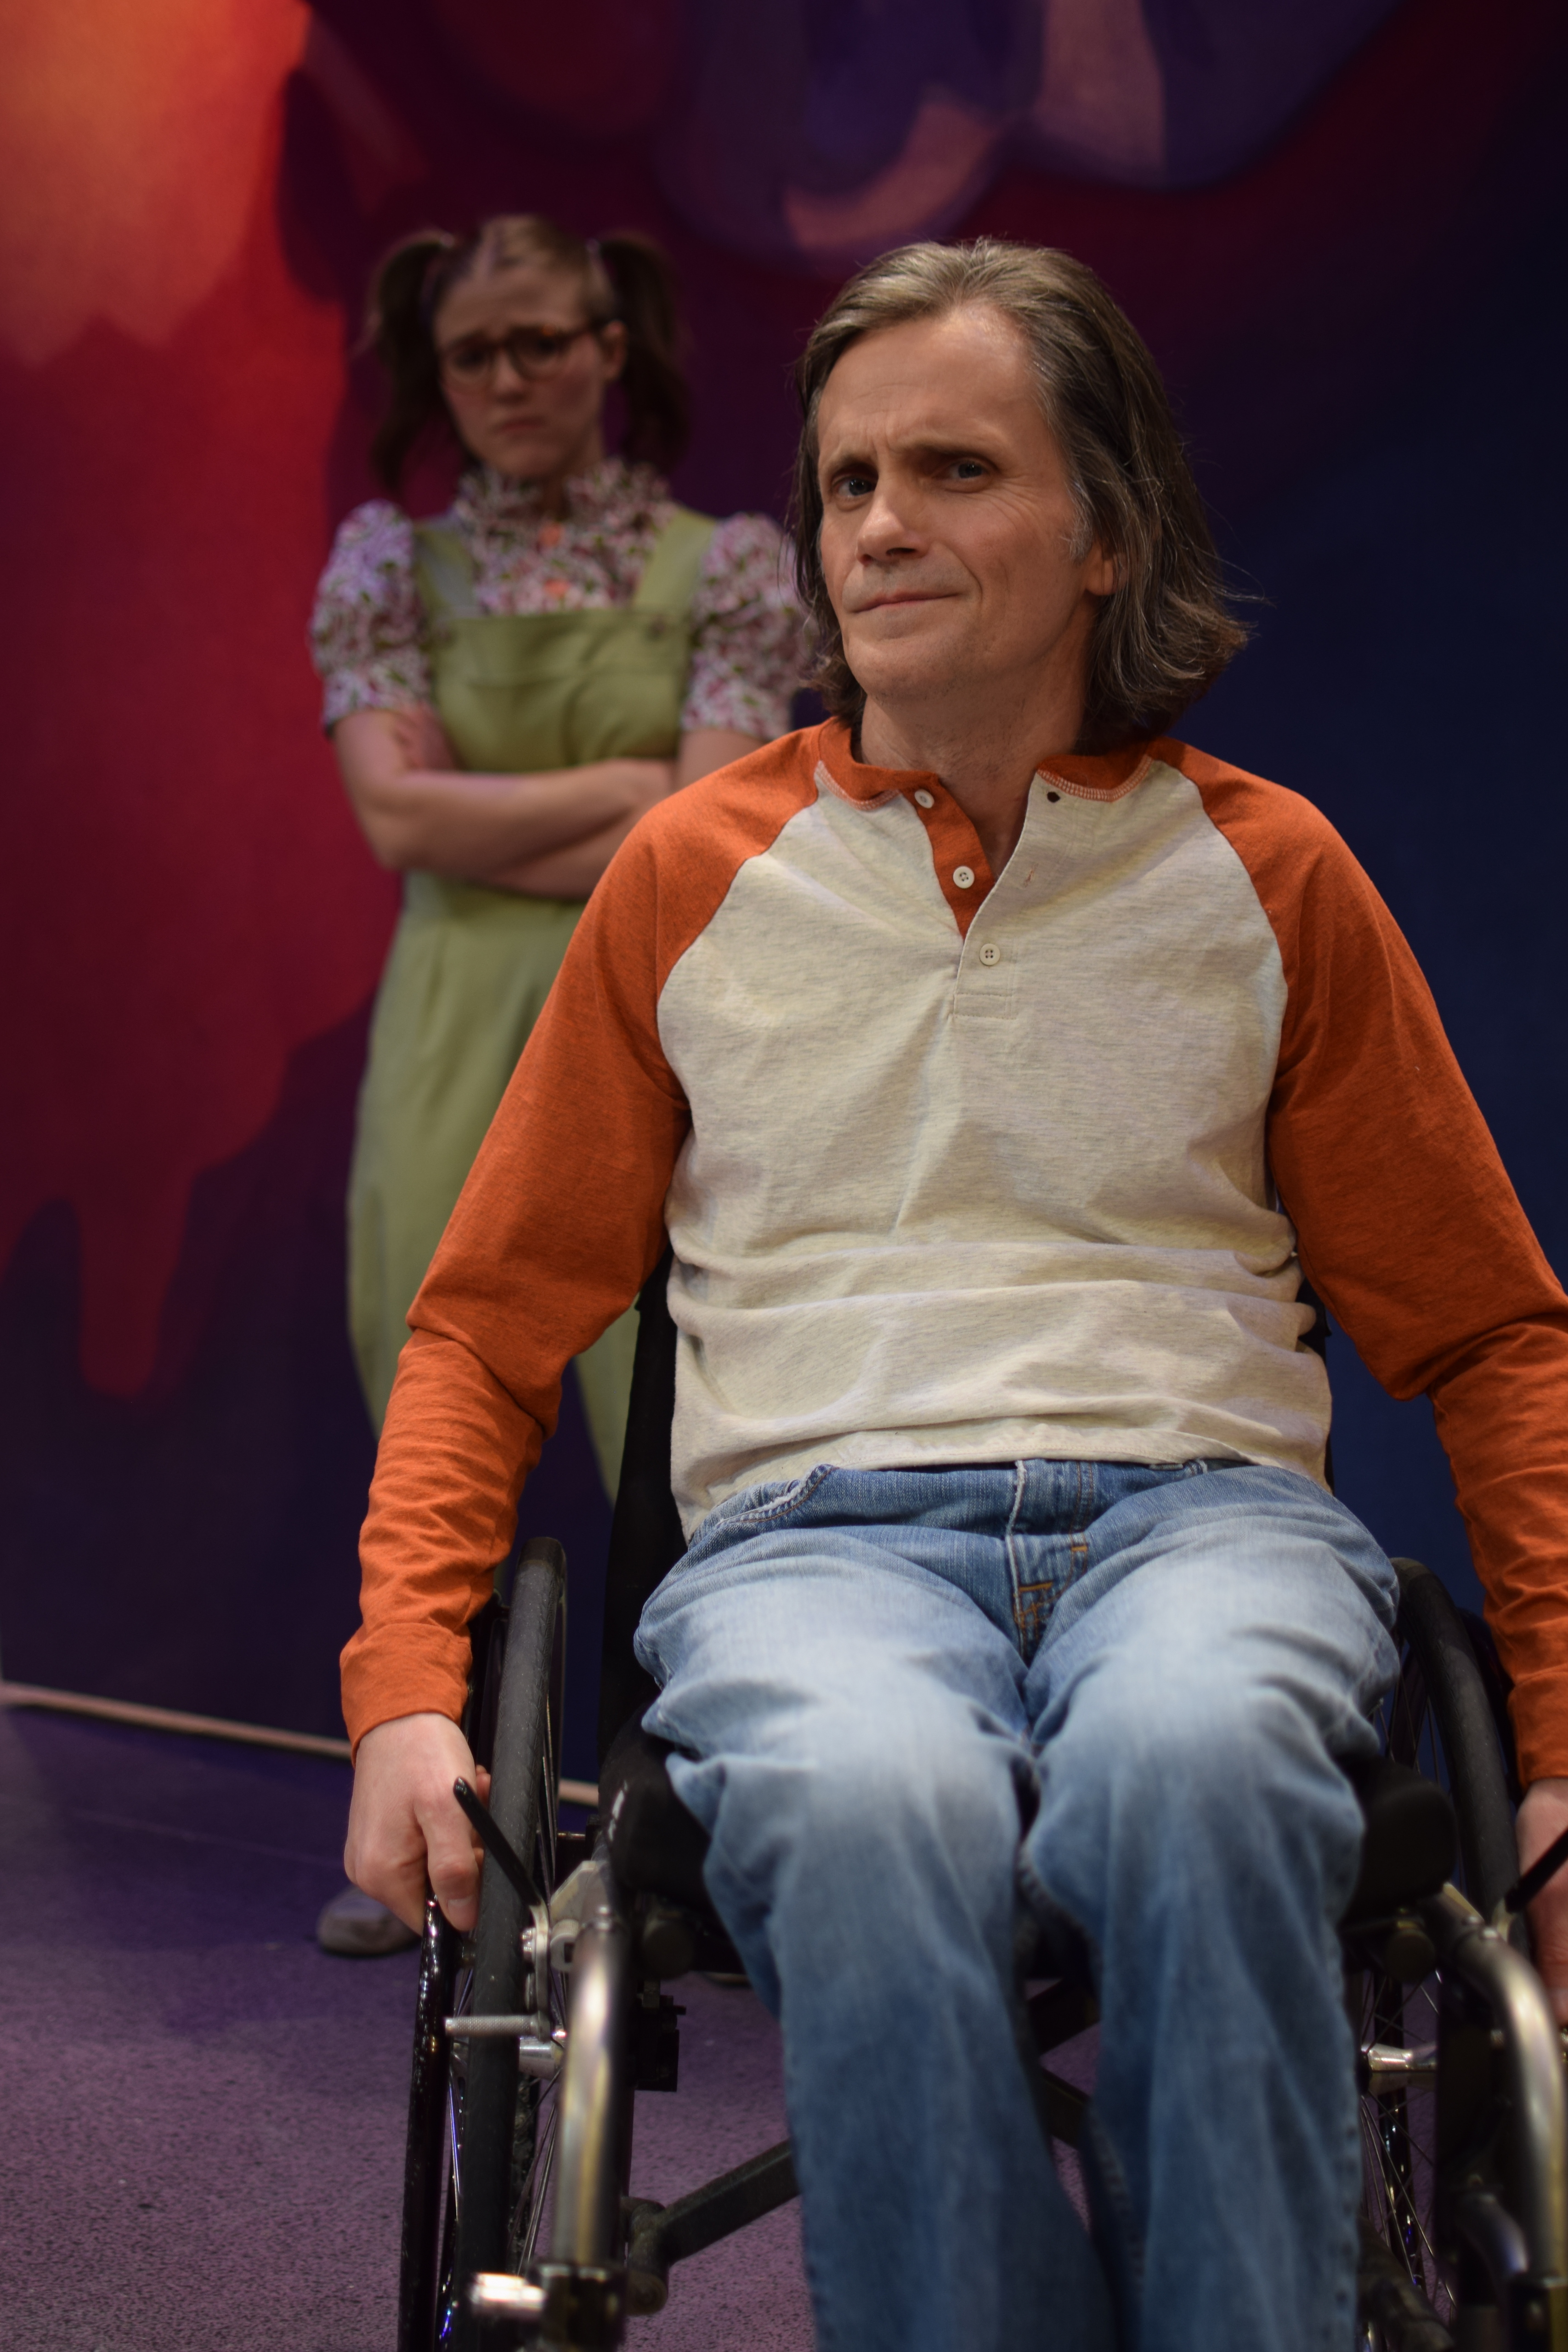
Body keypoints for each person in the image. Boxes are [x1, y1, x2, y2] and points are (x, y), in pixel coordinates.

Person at [337, 240, 1568, 2348]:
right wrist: (402, 1689)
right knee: (867, 1799)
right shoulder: (689, 874)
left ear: (1106, 532)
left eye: (953, 469)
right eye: (847, 480)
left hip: (1200, 1522)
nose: (878, 524)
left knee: (1195, 1766)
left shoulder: (1268, 873)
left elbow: (1484, 1333)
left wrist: (1553, 1740)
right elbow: (484, 1322)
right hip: (812, 1542)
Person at [308, 215, 800, 1955]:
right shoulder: (389, 566)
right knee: (431, 1385)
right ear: (435, 375)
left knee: (678, 1412)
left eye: (542, 340)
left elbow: (715, 825)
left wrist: (519, 809)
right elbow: (395, 817)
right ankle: (427, 1812)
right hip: (451, 1025)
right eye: (473, 352)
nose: (509, 377)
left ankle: (696, 1826)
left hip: (668, 1001)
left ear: (611, 346)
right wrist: (630, 786)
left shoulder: (729, 563)